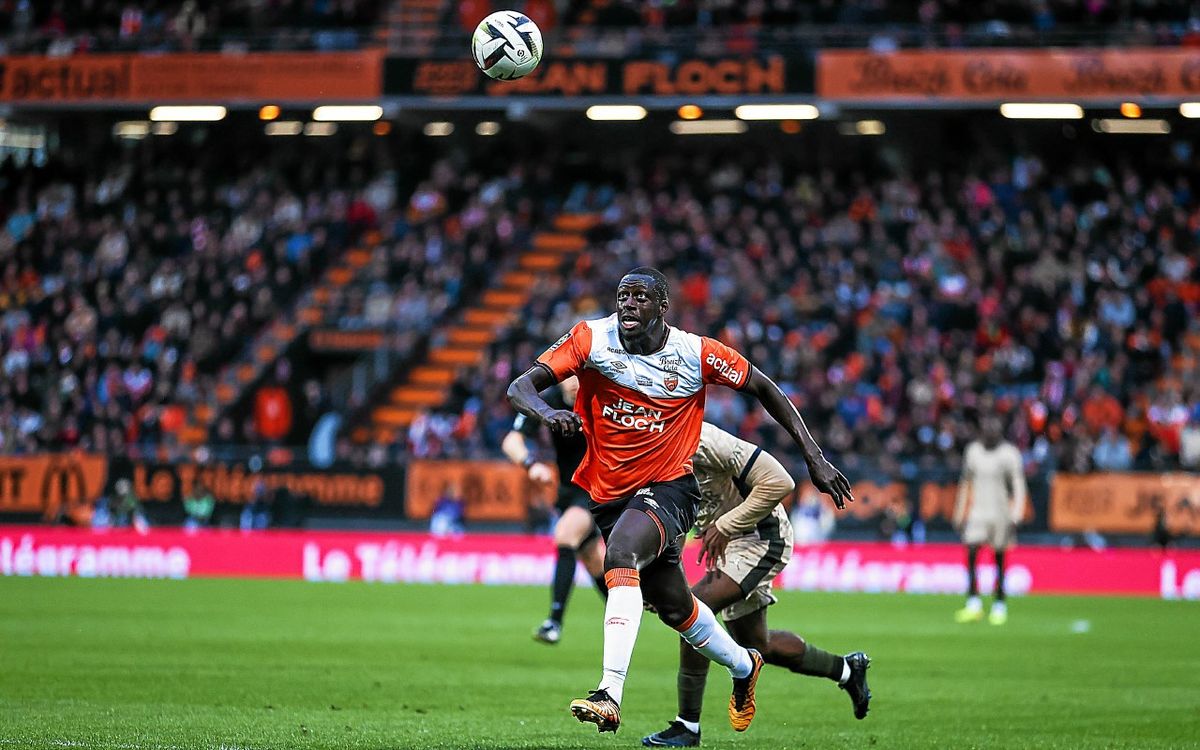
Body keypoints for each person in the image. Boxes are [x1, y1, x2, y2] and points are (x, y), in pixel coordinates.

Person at [508, 267, 854, 735]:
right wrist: (548, 411)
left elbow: (765, 387)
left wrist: (814, 456)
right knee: (677, 609)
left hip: (670, 488)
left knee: (621, 555)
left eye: (640, 297)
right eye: (622, 296)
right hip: (611, 496)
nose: (628, 304)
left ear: (662, 306)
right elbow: (520, 386)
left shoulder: (695, 353)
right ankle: (743, 666)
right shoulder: (591, 338)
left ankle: (609, 693)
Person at [643, 423, 870, 747]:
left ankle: (687, 726)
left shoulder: (702, 438)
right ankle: (848, 670)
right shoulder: (649, 446)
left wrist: (726, 524)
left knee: (692, 610)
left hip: (761, 537)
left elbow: (780, 481)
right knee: (758, 643)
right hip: (725, 541)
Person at [501, 375, 608, 645]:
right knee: (592, 558)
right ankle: (626, 609)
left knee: (564, 535)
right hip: (569, 490)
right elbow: (511, 442)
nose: (573, 382)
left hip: (600, 488)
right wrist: (530, 463)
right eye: (567, 375)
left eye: (579, 374)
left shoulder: (602, 399)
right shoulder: (548, 403)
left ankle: (554, 622)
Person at [953, 415, 1027, 625]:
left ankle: (999, 603)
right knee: (972, 553)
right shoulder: (974, 452)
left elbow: (1018, 484)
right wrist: (959, 512)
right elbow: (965, 483)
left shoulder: (1009, 454)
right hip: (978, 512)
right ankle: (973, 602)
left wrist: (1017, 512)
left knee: (999, 558)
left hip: (1000, 512)